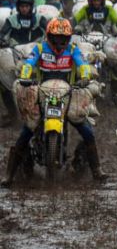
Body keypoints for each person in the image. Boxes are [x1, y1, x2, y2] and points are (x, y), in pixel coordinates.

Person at [2, 18, 104, 187]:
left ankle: (97, 170)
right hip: (42, 94)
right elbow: (29, 63)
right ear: (49, 36)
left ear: (69, 38)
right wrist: (25, 77)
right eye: (56, 37)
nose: (59, 41)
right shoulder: (40, 48)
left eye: (63, 38)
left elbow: (83, 64)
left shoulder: (72, 50)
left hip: (68, 94)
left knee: (86, 130)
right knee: (26, 131)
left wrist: (85, 78)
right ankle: (9, 175)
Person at [0, 0, 47, 124]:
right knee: (3, 82)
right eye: (22, 6)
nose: (24, 9)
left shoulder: (40, 19)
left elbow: (50, 31)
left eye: (27, 6)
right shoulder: (11, 20)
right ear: (18, 7)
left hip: (37, 55)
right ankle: (11, 113)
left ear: (31, 6)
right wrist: (2, 41)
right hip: (16, 55)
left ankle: (46, 110)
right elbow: (3, 33)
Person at [73, 0, 117, 103]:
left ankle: (115, 93)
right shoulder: (85, 10)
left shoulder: (109, 10)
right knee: (79, 62)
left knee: (113, 64)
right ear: (90, 0)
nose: (96, 2)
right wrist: (71, 26)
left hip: (106, 40)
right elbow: (76, 19)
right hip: (87, 41)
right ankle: (78, 91)